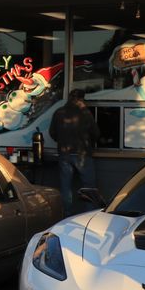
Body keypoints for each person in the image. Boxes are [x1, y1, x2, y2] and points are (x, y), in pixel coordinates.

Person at [49, 89, 100, 217]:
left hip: (64, 154)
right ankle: (90, 215)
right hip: (82, 154)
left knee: (65, 187)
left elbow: (52, 133)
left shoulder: (58, 112)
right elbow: (96, 133)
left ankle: (67, 215)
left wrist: (61, 140)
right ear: (81, 99)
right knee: (88, 186)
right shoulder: (85, 113)